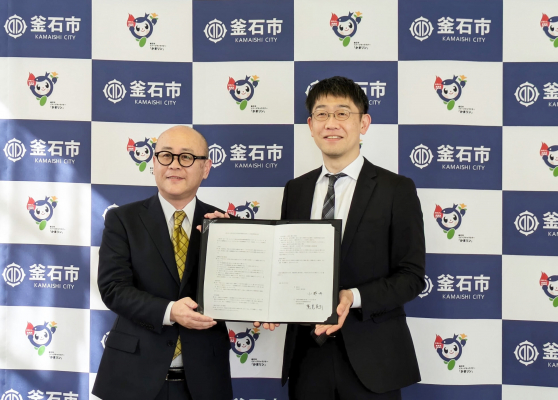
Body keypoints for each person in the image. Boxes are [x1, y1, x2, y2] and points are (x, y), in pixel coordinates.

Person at [277, 76, 426, 399]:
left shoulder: (396, 190)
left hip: (373, 357)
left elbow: (411, 277)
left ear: (364, 123)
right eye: (321, 114)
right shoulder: (296, 190)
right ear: (310, 125)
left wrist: (352, 297)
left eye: (342, 113)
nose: (331, 123)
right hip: (307, 357)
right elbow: (284, 265)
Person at [92, 126, 232, 400]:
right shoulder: (122, 219)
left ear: (206, 168)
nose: (174, 165)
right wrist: (170, 311)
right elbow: (113, 289)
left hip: (204, 380)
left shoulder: (224, 225)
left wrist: (228, 245)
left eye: (187, 157)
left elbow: (240, 291)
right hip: (133, 377)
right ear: (154, 163)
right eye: (166, 155)